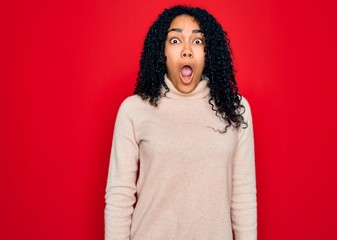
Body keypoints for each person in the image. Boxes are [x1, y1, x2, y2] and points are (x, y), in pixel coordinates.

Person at [105, 5, 257, 240]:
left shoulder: (236, 109)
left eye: (198, 42)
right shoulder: (134, 110)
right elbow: (119, 196)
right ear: (162, 51)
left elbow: (243, 195)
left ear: (209, 52)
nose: (187, 50)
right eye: (175, 40)